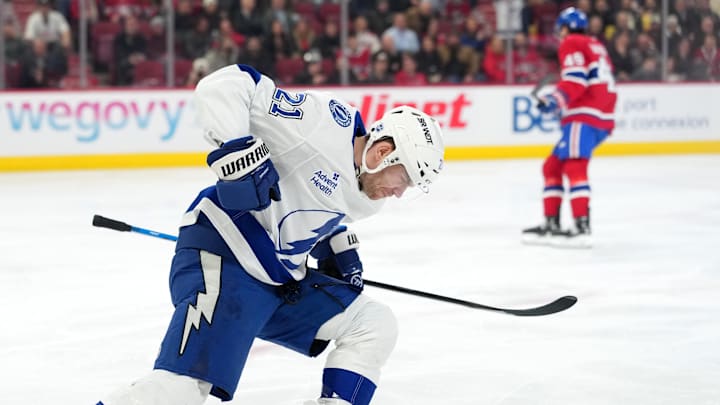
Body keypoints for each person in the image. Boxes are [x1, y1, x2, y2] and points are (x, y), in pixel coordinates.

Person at [97, 63, 445, 405]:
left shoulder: (369, 197)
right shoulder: (319, 124)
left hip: (277, 282)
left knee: (374, 324)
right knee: (181, 390)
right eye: (403, 180)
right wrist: (236, 154)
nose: (399, 193)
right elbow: (223, 85)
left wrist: (337, 246)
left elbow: (315, 200)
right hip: (224, 254)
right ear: (383, 153)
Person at [521, 7, 617, 248]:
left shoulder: (572, 42)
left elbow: (576, 80)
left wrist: (554, 101)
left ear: (565, 28)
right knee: (552, 166)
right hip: (600, 114)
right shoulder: (595, 44)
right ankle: (552, 223)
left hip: (585, 113)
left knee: (575, 165)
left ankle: (581, 226)